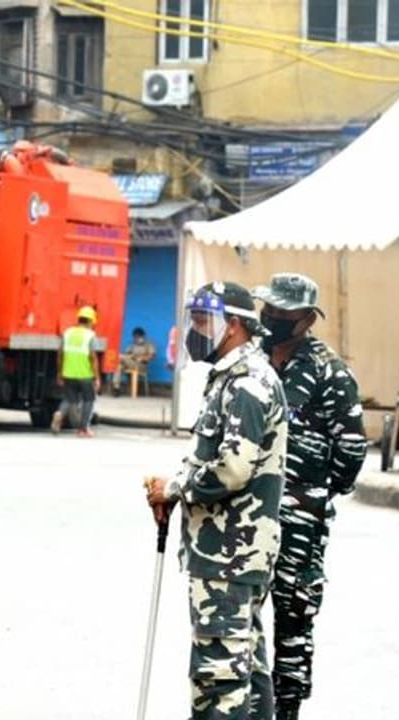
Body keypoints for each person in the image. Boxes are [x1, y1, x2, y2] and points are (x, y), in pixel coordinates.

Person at [144, 281, 288, 720]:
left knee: (218, 680)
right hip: (234, 554)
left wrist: (174, 488)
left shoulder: (247, 384)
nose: (196, 330)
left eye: (205, 321)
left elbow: (232, 469)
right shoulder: (233, 379)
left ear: (235, 326)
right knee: (247, 667)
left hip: (230, 555)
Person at [252, 273, 367, 720]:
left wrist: (316, 492)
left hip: (301, 516)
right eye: (270, 309)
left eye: (283, 312)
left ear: (305, 319)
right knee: (242, 612)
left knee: (293, 613)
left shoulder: (329, 372)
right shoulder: (254, 360)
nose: (273, 318)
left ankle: (288, 709)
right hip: (250, 512)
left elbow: (352, 447)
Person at [51, 306, 101, 437]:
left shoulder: (67, 333)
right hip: (85, 374)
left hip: (68, 373)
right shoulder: (90, 335)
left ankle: (59, 414)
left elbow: (60, 354)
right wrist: (97, 377)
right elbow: (93, 357)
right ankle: (83, 429)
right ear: (90, 321)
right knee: (88, 400)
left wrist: (59, 373)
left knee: (68, 399)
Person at [119, 327, 157, 394]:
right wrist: (130, 356)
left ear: (143, 336)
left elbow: (152, 356)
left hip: (141, 365)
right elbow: (126, 354)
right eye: (135, 337)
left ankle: (116, 386)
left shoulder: (149, 344)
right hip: (130, 363)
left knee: (120, 357)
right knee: (118, 366)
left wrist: (141, 358)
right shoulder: (132, 345)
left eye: (138, 337)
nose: (136, 339)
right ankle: (116, 387)